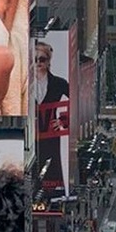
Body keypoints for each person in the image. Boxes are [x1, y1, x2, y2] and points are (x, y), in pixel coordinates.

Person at [35, 41, 70, 196]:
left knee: (51, 174)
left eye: (41, 59)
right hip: (29, 141)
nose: (38, 63)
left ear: (49, 61)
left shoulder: (60, 83)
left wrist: (63, 121)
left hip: (51, 139)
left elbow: (76, 105)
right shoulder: (22, 83)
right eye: (34, 59)